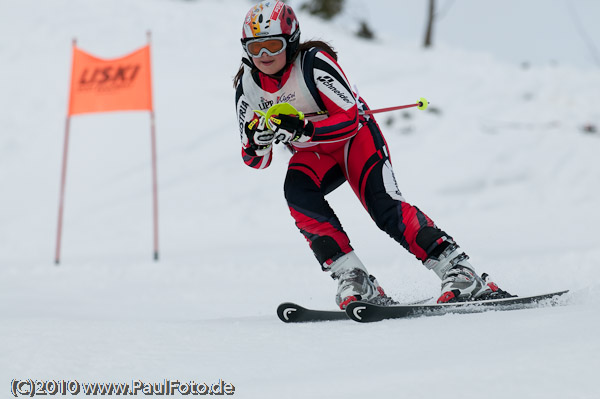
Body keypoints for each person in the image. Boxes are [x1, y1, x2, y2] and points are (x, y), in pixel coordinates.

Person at [234, 1, 511, 309]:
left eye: (273, 45)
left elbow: (350, 118)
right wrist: (257, 141)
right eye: (255, 48)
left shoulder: (313, 62)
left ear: (292, 40)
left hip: (355, 140)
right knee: (297, 194)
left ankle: (458, 269)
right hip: (315, 154)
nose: (264, 56)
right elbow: (256, 160)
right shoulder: (247, 86)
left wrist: (304, 129)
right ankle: (352, 276)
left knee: (383, 207)